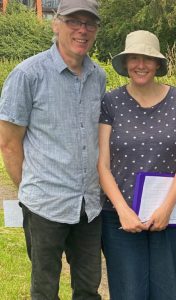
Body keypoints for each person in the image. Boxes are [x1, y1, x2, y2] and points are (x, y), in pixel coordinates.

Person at [0, 0, 106, 299]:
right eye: (74, 21)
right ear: (56, 23)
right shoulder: (27, 75)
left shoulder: (98, 76)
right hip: (45, 206)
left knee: (88, 287)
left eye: (90, 23)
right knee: (45, 289)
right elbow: (8, 142)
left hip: (89, 205)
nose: (82, 30)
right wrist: (33, 190)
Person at [98, 30, 176, 300]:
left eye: (148, 58)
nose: (140, 65)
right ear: (126, 63)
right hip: (119, 215)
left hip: (168, 213)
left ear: (158, 64)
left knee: (166, 290)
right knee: (129, 292)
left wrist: (166, 208)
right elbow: (102, 164)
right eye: (134, 58)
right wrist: (122, 210)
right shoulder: (111, 102)